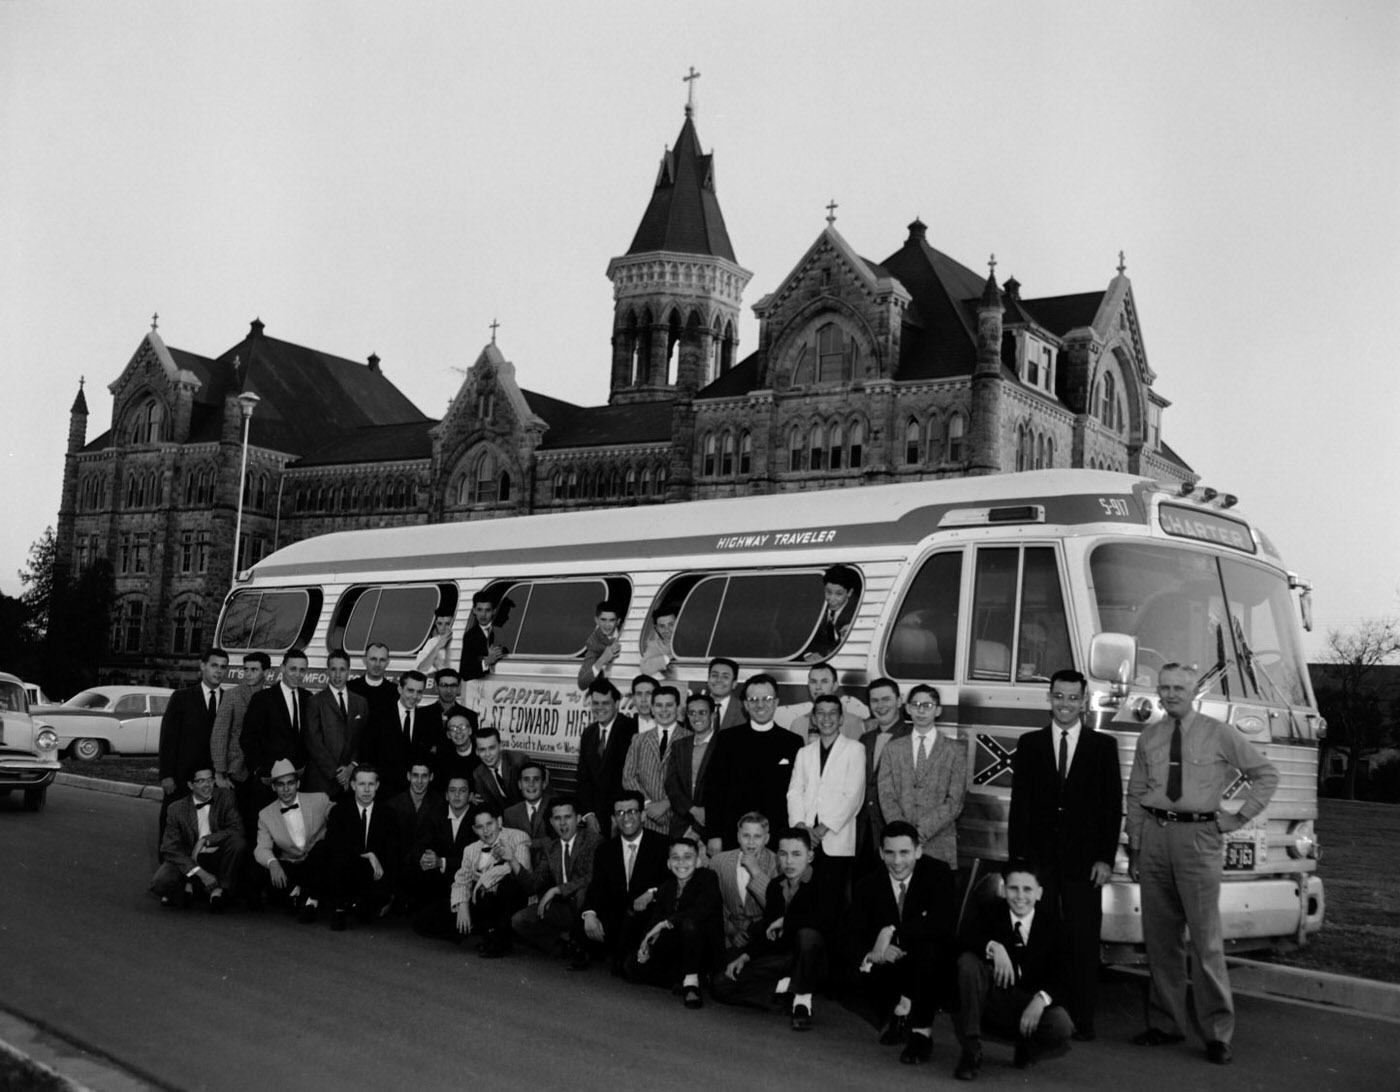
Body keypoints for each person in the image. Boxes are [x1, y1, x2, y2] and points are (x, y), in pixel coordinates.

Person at [1127, 663, 1279, 1066]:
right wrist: (1138, 847)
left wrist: (1238, 818)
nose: (1171, 693)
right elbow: (1137, 793)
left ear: (1194, 692)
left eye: (1179, 687)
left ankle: (1217, 1034)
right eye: (1165, 687)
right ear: (1158, 692)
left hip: (1199, 839)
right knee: (1160, 941)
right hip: (1157, 837)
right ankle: (1166, 1024)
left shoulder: (1219, 733)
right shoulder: (1150, 737)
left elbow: (1265, 774)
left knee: (1205, 941)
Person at [1009, 668, 1122, 1039]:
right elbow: (1019, 807)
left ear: (1084, 701)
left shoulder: (1103, 747)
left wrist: (1105, 858)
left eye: (1073, 698)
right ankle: (1031, 1013)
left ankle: (1082, 1018)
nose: (1065, 704)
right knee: (1035, 937)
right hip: (1039, 863)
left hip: (1084, 863)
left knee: (1081, 938)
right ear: (1050, 698)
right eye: (1059, 696)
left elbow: (1111, 808)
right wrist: (1017, 865)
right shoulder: (1029, 744)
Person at [847, 821, 958, 1065]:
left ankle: (921, 1033)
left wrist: (892, 932)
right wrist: (875, 955)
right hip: (890, 960)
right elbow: (854, 936)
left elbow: (942, 924)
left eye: (905, 852)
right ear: (880, 853)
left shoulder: (939, 873)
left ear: (918, 851)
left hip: (928, 957)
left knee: (930, 950)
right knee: (856, 967)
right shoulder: (867, 885)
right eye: (890, 853)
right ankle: (899, 1010)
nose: (897, 861)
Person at [713, 827, 845, 1031]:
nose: (789, 861)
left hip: (814, 960)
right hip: (783, 960)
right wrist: (746, 956)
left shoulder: (826, 882)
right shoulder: (776, 885)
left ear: (810, 856)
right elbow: (768, 929)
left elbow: (827, 921)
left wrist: (786, 921)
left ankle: (802, 1004)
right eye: (783, 854)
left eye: (796, 854)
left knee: (807, 935)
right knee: (721, 983)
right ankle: (783, 991)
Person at [953, 861, 1074, 1079]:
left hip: (1027, 1002)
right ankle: (971, 1050)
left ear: (1039, 893)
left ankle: (1027, 1045)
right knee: (968, 963)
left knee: (1061, 1024)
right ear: (1003, 890)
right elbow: (963, 939)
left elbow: (1064, 977)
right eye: (1013, 888)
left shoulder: (1054, 926)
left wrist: (1040, 1000)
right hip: (992, 999)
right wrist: (994, 947)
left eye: (1027, 889)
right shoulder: (990, 912)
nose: (1020, 896)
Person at [703, 675, 803, 852]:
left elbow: (798, 793)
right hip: (732, 835)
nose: (760, 705)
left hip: (777, 838)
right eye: (754, 699)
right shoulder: (728, 739)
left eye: (767, 699)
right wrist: (713, 834)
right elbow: (713, 789)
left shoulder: (792, 742)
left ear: (776, 702)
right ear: (746, 705)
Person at [624, 837, 723, 1008]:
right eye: (675, 858)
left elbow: (701, 910)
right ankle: (681, 977)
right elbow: (655, 921)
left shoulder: (708, 878)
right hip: (677, 948)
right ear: (669, 863)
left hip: (702, 948)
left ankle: (691, 983)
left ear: (698, 861)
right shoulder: (665, 888)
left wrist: (665, 924)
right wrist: (646, 944)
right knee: (631, 967)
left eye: (688, 857)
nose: (681, 862)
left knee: (689, 923)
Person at [578, 790, 671, 972]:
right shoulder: (605, 850)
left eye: (632, 812)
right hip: (618, 914)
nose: (626, 818)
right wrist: (589, 913)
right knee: (581, 925)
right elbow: (597, 885)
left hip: (648, 915)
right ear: (613, 819)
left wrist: (652, 892)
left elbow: (672, 882)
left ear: (643, 815)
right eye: (620, 813)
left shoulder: (663, 844)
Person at [877, 684, 967, 869]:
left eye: (927, 705)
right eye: (916, 704)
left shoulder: (955, 750)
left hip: (939, 844)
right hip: (899, 849)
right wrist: (904, 834)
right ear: (908, 709)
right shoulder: (893, 749)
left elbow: (954, 801)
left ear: (938, 710)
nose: (921, 710)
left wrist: (920, 833)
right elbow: (886, 795)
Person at [787, 694, 865, 893]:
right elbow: (795, 792)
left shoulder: (855, 749)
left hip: (835, 839)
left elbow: (853, 797)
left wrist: (822, 829)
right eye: (820, 713)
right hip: (805, 839)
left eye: (832, 714)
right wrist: (801, 826)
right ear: (813, 718)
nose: (826, 718)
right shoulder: (804, 752)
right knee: (804, 895)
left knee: (833, 899)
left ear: (841, 719)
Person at [513, 796, 603, 966]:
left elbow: (592, 876)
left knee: (583, 892)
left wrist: (557, 890)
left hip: (588, 906)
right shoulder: (551, 848)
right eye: (557, 818)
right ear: (551, 822)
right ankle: (563, 944)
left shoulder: (593, 841)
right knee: (520, 920)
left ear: (578, 819)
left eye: (567, 817)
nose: (563, 824)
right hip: (564, 907)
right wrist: (513, 862)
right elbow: (533, 884)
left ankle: (585, 948)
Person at [151, 764, 247, 913]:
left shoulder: (226, 797)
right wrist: (202, 874)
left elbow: (237, 829)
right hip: (190, 858)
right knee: (160, 882)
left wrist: (206, 840)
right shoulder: (176, 809)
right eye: (201, 781)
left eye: (210, 780)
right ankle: (191, 888)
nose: (207, 785)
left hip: (216, 855)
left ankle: (220, 891)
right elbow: (169, 848)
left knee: (238, 843)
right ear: (190, 785)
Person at [157, 648, 229, 841]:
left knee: (206, 827)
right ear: (203, 666)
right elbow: (168, 739)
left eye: (223, 667)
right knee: (172, 823)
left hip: (213, 779)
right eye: (214, 665)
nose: (218, 671)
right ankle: (168, 865)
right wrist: (167, 775)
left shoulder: (230, 700)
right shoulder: (181, 698)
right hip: (181, 778)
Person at [322, 764, 402, 931]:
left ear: (377, 786)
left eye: (371, 784)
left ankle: (360, 903)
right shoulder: (339, 811)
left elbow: (393, 853)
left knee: (380, 892)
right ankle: (340, 908)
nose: (366, 789)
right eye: (361, 784)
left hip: (374, 874)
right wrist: (366, 854)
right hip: (347, 870)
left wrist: (389, 889)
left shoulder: (388, 814)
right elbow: (332, 843)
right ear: (352, 785)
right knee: (338, 859)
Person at [253, 758, 333, 921]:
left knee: (323, 848)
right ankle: (298, 891)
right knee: (257, 871)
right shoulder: (265, 814)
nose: (286, 789)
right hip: (292, 865)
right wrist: (273, 863)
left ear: (298, 784)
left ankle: (311, 901)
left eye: (290, 783)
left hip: (317, 862)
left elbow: (338, 815)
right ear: (273, 787)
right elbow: (261, 848)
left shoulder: (319, 800)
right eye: (281, 784)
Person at [449, 800, 532, 957]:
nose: (486, 831)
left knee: (507, 884)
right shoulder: (471, 850)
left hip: (517, 897)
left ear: (499, 821)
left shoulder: (518, 837)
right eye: (480, 827)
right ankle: (486, 932)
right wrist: (462, 905)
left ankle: (499, 939)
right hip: (484, 901)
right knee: (427, 921)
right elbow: (461, 879)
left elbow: (521, 867)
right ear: (474, 829)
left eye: (489, 824)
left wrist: (484, 879)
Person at [240, 649, 310, 807]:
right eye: (293, 669)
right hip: (268, 780)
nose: (297, 674)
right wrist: (261, 769)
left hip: (298, 780)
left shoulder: (308, 698)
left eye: (302, 670)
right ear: (282, 668)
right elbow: (247, 738)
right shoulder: (262, 699)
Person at [707, 812, 779, 956]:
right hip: (727, 935)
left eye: (757, 836)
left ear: (767, 838)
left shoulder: (777, 863)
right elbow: (713, 904)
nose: (751, 842)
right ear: (738, 837)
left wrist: (756, 871)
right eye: (746, 836)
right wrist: (732, 932)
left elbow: (775, 908)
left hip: (765, 936)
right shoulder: (718, 862)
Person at [404, 774, 476, 916]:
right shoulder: (435, 814)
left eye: (462, 791)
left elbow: (475, 860)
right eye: (452, 790)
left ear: (470, 795)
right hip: (440, 880)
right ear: (446, 795)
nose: (456, 795)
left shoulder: (478, 818)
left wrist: (441, 862)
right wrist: (425, 857)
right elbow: (418, 845)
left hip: (468, 879)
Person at [858, 677, 910, 871]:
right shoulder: (865, 739)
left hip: (896, 833)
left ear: (899, 701)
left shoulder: (911, 738)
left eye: (886, 699)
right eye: (875, 701)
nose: (880, 706)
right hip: (864, 833)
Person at [303, 648, 368, 800]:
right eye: (333, 669)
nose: (338, 675)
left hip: (351, 780)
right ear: (327, 671)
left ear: (349, 671)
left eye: (342, 669)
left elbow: (361, 738)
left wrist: (352, 766)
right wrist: (337, 773)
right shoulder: (314, 702)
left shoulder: (361, 702)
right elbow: (313, 741)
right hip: (321, 781)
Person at [623, 684, 688, 834]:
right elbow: (628, 777)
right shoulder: (639, 740)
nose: (664, 710)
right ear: (652, 709)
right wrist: (647, 804)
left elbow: (692, 783)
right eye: (659, 705)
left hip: (679, 821)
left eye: (669, 705)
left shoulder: (690, 738)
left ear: (678, 708)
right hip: (647, 820)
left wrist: (667, 803)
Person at [575, 679, 638, 831]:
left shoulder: (631, 729)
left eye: (605, 703)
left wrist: (621, 816)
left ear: (616, 704)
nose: (600, 708)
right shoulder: (588, 733)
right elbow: (583, 778)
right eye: (595, 703)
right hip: (595, 820)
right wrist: (588, 815)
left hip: (624, 817)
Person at [210, 650, 267, 800]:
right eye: (246, 669)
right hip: (235, 769)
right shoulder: (232, 696)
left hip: (261, 770)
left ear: (266, 672)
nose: (248, 674)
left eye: (254, 670)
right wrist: (219, 773)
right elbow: (220, 734)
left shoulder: (270, 697)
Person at [365, 670, 432, 797]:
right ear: (400, 689)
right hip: (383, 792)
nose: (414, 696)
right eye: (410, 690)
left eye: (419, 692)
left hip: (414, 795)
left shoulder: (426, 720)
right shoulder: (379, 716)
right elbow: (368, 753)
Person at [664, 693, 717, 840]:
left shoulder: (724, 745)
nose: (696, 717)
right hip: (681, 822)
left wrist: (700, 823)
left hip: (712, 825)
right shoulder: (679, 746)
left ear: (712, 715)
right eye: (692, 713)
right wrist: (692, 810)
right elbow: (671, 783)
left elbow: (725, 788)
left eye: (702, 713)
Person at [386, 760, 445, 891]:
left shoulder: (440, 804)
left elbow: (438, 840)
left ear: (431, 777)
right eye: (415, 775)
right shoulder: (392, 805)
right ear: (408, 776)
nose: (419, 781)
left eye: (424, 776)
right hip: (397, 869)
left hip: (427, 871)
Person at [775, 661, 869, 741]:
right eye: (813, 682)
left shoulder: (853, 722)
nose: (818, 687)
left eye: (824, 681)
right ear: (808, 686)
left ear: (835, 685)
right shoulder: (798, 724)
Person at [802, 564, 861, 662]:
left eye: (839, 594)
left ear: (850, 592)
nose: (832, 599)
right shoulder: (814, 608)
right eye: (828, 592)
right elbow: (802, 637)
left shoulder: (858, 612)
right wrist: (808, 654)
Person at [412, 668, 468, 763]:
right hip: (428, 772)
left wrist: (436, 748)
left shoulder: (469, 716)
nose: (448, 690)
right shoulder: (420, 715)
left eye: (453, 685)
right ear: (436, 687)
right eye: (444, 685)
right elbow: (417, 746)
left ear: (459, 688)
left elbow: (469, 749)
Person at [502, 760, 555, 849]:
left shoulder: (555, 808)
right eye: (526, 780)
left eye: (536, 779)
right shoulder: (510, 813)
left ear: (544, 784)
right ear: (519, 784)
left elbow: (557, 840)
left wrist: (527, 843)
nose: (531, 784)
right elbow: (507, 843)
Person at [471, 725, 526, 808]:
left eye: (492, 748)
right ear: (477, 752)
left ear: (500, 746)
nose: (487, 754)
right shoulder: (478, 774)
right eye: (482, 750)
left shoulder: (518, 761)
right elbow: (490, 806)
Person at [459, 591, 509, 681]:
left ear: (494, 611)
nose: (483, 615)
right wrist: (487, 661)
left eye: (487, 610)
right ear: (474, 610)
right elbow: (464, 672)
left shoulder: (505, 631)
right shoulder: (470, 636)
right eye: (479, 610)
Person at [577, 600, 624, 689]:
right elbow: (582, 683)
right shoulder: (594, 643)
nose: (607, 625)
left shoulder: (626, 630)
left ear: (618, 621)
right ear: (596, 620)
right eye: (603, 620)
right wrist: (602, 659)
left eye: (611, 620)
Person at [347, 642, 399, 722]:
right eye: (373, 659)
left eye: (382, 660)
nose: (377, 664)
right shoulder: (349, 688)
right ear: (364, 660)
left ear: (387, 662)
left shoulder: (396, 692)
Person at [433, 711, 481, 792]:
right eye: (453, 728)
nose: (458, 731)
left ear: (470, 731)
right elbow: (441, 786)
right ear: (448, 734)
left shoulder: (482, 752)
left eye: (462, 727)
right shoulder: (443, 757)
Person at [705, 658, 746, 731]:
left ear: (734, 684)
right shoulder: (692, 707)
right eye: (714, 675)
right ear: (708, 679)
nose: (719, 680)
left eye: (725, 677)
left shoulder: (744, 711)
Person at [638, 605, 677, 678]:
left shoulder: (689, 640)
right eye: (662, 626)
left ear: (678, 623)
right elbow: (645, 668)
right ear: (656, 628)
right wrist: (669, 657)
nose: (667, 630)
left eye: (671, 625)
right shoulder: (655, 645)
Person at [416, 608, 456, 673]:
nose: (443, 628)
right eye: (439, 624)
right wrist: (438, 646)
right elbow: (421, 669)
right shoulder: (432, 642)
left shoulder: (461, 641)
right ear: (436, 624)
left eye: (447, 624)